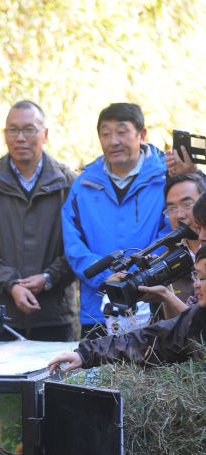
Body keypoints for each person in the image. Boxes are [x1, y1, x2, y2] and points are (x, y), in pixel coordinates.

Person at [0, 100, 77, 341]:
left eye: (29, 129)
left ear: (44, 134)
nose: (20, 138)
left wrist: (49, 277)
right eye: (13, 130)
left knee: (55, 379)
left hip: (53, 315)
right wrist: (12, 284)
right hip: (1, 315)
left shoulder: (68, 183)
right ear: (5, 135)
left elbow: (80, 247)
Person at [61, 102, 168, 338]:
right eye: (105, 133)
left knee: (152, 371)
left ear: (142, 135)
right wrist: (105, 277)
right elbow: (72, 242)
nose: (113, 141)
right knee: (95, 372)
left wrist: (140, 276)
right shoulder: (84, 183)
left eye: (121, 132)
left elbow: (171, 234)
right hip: (99, 306)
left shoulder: (164, 179)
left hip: (152, 301)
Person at [48, 245, 206, 374]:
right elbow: (151, 340)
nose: (196, 284)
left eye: (201, 277)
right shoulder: (199, 314)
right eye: (195, 276)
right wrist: (85, 354)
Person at [139, 174, 206, 319]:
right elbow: (175, 330)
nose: (179, 215)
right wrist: (166, 294)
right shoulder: (168, 262)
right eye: (172, 209)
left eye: (187, 205)